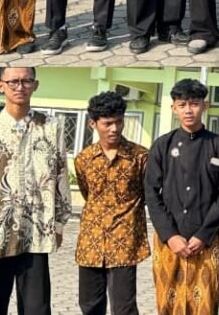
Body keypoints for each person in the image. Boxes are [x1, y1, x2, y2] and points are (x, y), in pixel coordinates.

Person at [0, 67, 71, 315]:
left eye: (27, 81)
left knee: (37, 309)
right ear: (1, 86)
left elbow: (61, 174)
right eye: (14, 82)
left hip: (35, 232)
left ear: (35, 85)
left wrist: (59, 223)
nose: (20, 87)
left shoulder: (51, 128)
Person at [146, 79, 219, 315]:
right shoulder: (162, 146)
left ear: (205, 106)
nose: (188, 110)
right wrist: (170, 235)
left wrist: (204, 235)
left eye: (194, 104)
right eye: (182, 104)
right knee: (167, 304)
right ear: (173, 108)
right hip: (169, 241)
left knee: (205, 304)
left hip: (205, 241)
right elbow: (151, 193)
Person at [75, 92, 150, 315]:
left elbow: (148, 194)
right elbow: (87, 193)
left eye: (118, 122)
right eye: (107, 123)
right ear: (93, 124)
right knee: (89, 305)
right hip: (91, 242)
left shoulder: (140, 157)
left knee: (124, 308)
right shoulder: (84, 159)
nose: (114, 129)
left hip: (124, 242)